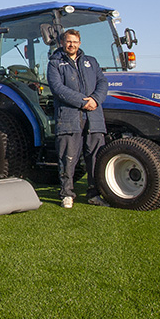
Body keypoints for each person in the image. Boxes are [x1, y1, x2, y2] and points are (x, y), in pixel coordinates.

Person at [47, 29, 110, 208]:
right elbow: (58, 88)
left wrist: (95, 100)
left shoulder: (91, 62)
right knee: (68, 157)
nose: (71, 45)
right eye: (68, 41)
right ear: (62, 43)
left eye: (75, 41)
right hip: (69, 117)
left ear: (80, 43)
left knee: (95, 157)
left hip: (94, 117)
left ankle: (94, 193)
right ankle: (67, 193)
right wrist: (83, 102)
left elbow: (102, 82)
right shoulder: (55, 64)